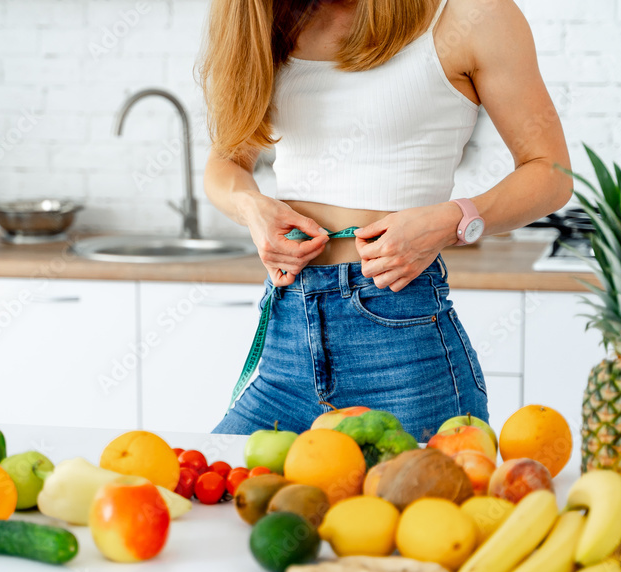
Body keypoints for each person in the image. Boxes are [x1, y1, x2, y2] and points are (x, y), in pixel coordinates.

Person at [200, 0, 572, 439]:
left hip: (400, 339)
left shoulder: (472, 15)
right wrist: (251, 207)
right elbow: (225, 164)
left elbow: (550, 172)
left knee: (420, 506)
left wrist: (453, 219)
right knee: (223, 496)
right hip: (287, 333)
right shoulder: (268, 20)